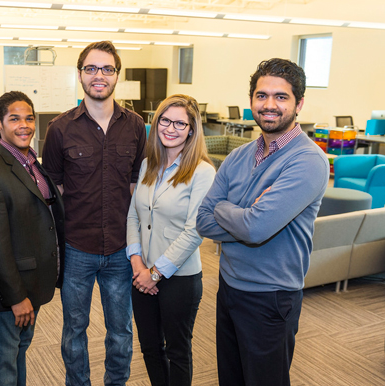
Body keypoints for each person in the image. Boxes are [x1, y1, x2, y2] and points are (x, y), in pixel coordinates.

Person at [196, 58, 330, 386]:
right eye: (261, 95)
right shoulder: (240, 155)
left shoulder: (308, 161)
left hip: (271, 297)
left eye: (281, 97)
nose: (269, 105)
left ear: (298, 104)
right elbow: (202, 220)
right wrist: (246, 213)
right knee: (231, 378)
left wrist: (228, 209)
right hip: (229, 287)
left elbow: (256, 230)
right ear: (252, 100)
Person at [42, 40, 147, 386]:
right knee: (74, 330)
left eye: (107, 69)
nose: (98, 75)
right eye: (91, 68)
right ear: (80, 74)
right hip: (77, 249)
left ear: (117, 75)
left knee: (121, 330)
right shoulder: (59, 129)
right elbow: (53, 189)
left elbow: (138, 183)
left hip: (121, 248)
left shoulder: (135, 127)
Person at [126, 94, 215, 386]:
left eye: (180, 123)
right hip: (142, 274)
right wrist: (138, 263)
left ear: (192, 129)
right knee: (150, 348)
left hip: (179, 278)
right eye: (165, 120)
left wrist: (155, 273)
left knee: (177, 351)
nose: (171, 128)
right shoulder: (148, 165)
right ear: (156, 122)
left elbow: (195, 231)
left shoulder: (202, 172)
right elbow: (133, 217)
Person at [0, 91, 65, 386]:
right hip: (11, 291)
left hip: (34, 280)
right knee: (4, 363)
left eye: (28, 118)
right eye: (14, 118)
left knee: (19, 353)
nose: (24, 125)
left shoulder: (31, 162)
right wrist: (15, 298)